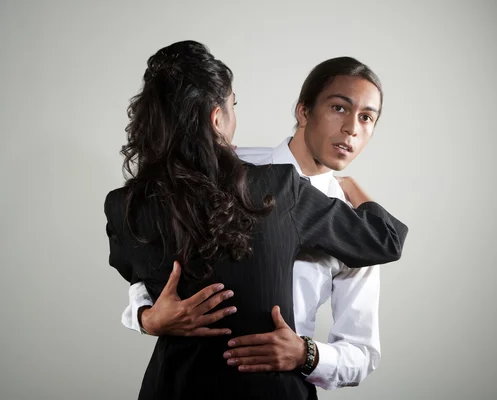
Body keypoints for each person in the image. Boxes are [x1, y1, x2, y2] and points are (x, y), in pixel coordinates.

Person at [104, 40, 408, 400]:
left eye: (367, 117)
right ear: (303, 111)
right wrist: (144, 317)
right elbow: (151, 272)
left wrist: (306, 354)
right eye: (339, 107)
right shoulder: (239, 175)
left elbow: (361, 352)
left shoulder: (349, 222)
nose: (351, 129)